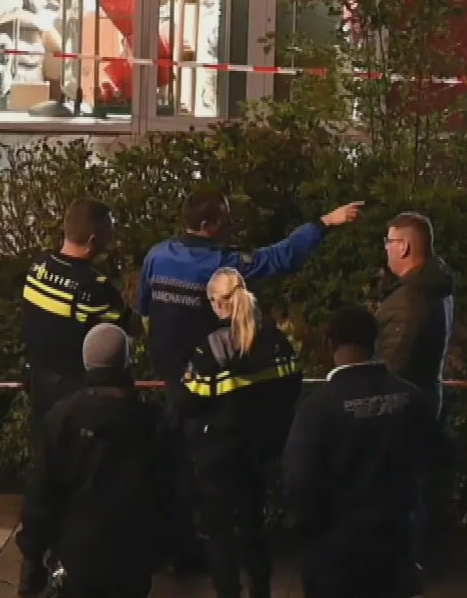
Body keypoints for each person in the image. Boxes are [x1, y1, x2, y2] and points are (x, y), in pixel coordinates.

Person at [138, 189, 363, 568]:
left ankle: (180, 549)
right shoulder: (222, 266)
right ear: (208, 225)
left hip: (173, 380)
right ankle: (231, 571)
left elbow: (143, 311)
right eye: (225, 218)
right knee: (226, 484)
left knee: (178, 465)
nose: (231, 223)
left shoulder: (157, 256)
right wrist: (324, 223)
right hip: (212, 387)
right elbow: (278, 258)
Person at [284, 306, 439, 598]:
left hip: (330, 552)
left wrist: (304, 534)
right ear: (373, 344)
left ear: (331, 346)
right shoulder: (409, 396)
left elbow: (298, 484)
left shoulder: (318, 409)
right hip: (388, 543)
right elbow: (438, 456)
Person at [20, 324, 169, 598]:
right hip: (131, 558)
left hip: (80, 556)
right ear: (126, 362)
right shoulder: (150, 422)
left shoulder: (63, 418)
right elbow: (170, 491)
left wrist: (33, 553)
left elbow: (42, 492)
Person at [18, 197, 136, 598]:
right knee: (74, 482)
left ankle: (30, 560)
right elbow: (123, 332)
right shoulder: (94, 289)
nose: (112, 238)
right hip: (73, 392)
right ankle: (61, 572)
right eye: (109, 231)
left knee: (42, 472)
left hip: (39, 385)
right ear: (91, 237)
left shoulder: (38, 268)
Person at [182, 268, 301, 598]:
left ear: (220, 303)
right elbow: (291, 389)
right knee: (253, 523)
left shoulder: (211, 347)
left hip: (217, 453)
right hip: (258, 450)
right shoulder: (276, 341)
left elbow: (191, 402)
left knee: (219, 529)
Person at [374, 211, 455, 598]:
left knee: (401, 498)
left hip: (403, 415)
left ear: (404, 247)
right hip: (423, 405)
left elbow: (392, 368)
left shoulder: (409, 302)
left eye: (388, 243)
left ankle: (403, 580)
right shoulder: (435, 288)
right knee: (411, 495)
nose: (386, 251)